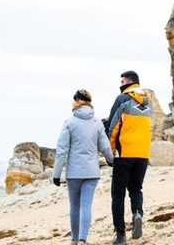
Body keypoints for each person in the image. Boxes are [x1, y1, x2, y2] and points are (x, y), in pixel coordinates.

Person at [53, 89, 114, 245]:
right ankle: (82, 240)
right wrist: (112, 161)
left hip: (74, 173)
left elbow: (62, 150)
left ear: (76, 101)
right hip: (92, 172)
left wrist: (56, 173)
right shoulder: (97, 122)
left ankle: (74, 240)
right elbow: (105, 147)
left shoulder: (69, 122)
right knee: (86, 206)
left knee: (74, 206)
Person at [106, 70, 152, 245]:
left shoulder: (122, 99)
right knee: (136, 189)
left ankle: (120, 236)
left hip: (124, 154)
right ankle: (137, 214)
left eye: (122, 81)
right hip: (143, 154)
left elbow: (112, 128)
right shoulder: (148, 101)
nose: (120, 84)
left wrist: (110, 154)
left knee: (118, 195)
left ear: (129, 82)